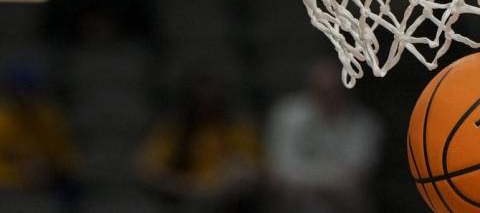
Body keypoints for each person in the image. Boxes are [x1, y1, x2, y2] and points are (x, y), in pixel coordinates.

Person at [266, 58, 384, 213]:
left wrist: (304, 181)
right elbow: (281, 173)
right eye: (321, 91)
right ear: (310, 88)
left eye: (333, 90)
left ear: (346, 87)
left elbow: (355, 178)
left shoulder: (366, 124)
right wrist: (331, 181)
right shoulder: (287, 115)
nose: (328, 97)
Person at [137, 80, 262, 213]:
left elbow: (257, 168)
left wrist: (236, 181)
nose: (206, 107)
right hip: (184, 199)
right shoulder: (173, 131)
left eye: (213, 102)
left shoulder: (240, 130)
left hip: (231, 200)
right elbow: (148, 170)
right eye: (200, 102)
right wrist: (186, 186)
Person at [0, 62, 82, 212]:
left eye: (30, 91)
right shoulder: (2, 120)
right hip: (7, 182)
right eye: (20, 92)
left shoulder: (49, 118)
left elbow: (67, 157)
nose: (25, 98)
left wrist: (49, 169)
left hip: (46, 180)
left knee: (73, 188)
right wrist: (18, 173)